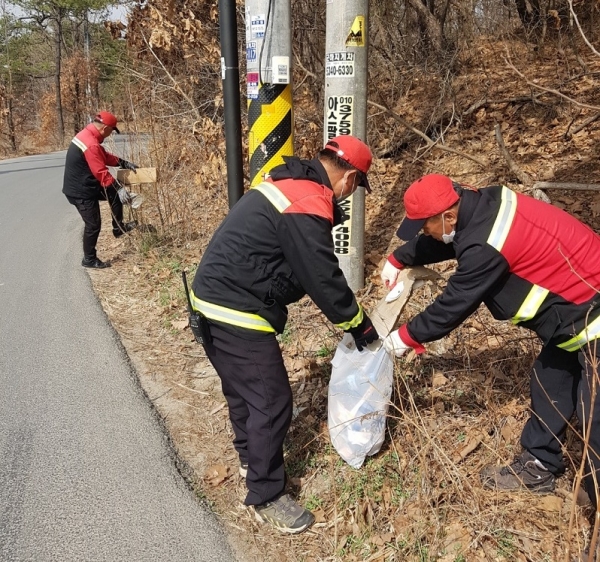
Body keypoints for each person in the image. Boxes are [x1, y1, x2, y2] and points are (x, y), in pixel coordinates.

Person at [190, 135, 380, 534]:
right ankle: (266, 494)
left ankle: (249, 457)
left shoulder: (287, 184)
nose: (351, 194)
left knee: (243, 391)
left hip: (210, 299)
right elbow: (323, 278)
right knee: (272, 399)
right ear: (349, 177)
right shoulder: (309, 199)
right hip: (236, 308)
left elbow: (290, 266)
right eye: (356, 186)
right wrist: (358, 323)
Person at [381, 173, 600, 516]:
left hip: (590, 310)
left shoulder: (486, 244)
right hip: (573, 316)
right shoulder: (483, 204)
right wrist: (400, 258)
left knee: (595, 417)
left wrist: (404, 338)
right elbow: (448, 239)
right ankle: (539, 465)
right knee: (549, 380)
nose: (425, 233)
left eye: (426, 226)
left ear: (449, 215)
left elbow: (455, 303)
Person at [63, 111, 139, 269]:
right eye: (112, 131)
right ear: (105, 128)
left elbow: (102, 155)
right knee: (93, 224)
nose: (111, 134)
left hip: (86, 184)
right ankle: (89, 259)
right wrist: (119, 187)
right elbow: (100, 172)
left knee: (113, 193)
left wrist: (122, 162)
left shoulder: (88, 135)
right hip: (80, 191)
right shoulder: (90, 143)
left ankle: (118, 228)